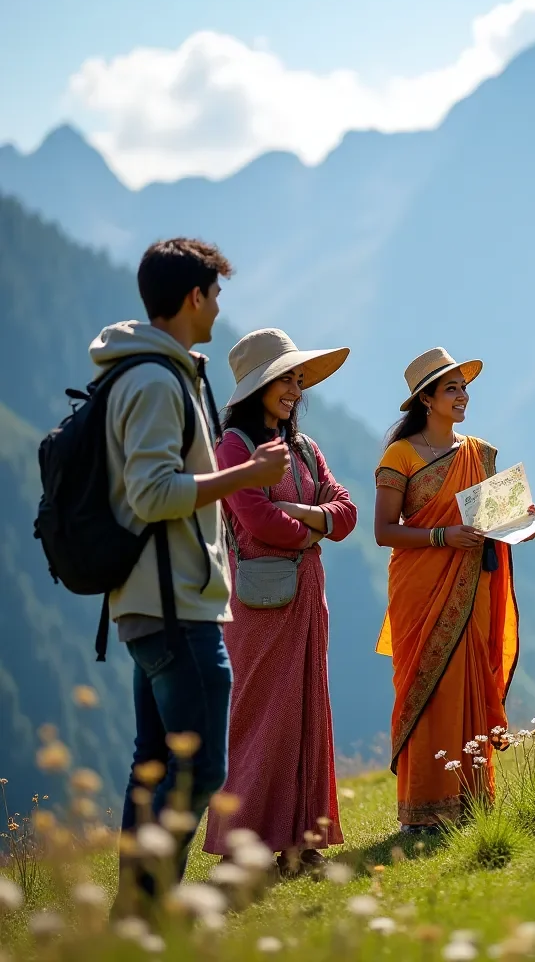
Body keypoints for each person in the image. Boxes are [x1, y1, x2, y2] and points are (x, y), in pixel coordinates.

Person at [94, 239, 290, 913]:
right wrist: (248, 475)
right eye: (216, 294)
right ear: (194, 298)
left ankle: (134, 918)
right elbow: (152, 493)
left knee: (153, 766)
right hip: (176, 604)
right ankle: (150, 912)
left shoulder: (142, 371)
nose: (218, 307)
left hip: (145, 602)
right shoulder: (153, 381)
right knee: (201, 766)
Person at [203, 328, 358, 876]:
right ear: (258, 386)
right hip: (260, 607)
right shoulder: (234, 448)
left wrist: (305, 517)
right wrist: (314, 521)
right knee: (259, 718)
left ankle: (300, 842)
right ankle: (239, 849)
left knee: (307, 715)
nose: (295, 388)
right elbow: (257, 521)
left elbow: (347, 512)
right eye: (285, 378)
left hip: (305, 599)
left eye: (297, 378)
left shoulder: (305, 448)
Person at [373, 347, 523, 833]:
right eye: (452, 389)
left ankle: (472, 801)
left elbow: (500, 517)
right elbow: (383, 531)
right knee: (429, 689)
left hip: (472, 584)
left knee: (469, 683)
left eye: (464, 388)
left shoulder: (478, 452)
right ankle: (422, 812)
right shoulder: (401, 455)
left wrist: (523, 524)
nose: (463, 397)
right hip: (420, 588)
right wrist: (442, 536)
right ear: (426, 399)